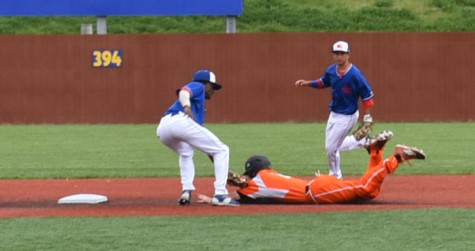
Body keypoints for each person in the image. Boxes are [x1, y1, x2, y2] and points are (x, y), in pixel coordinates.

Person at [198, 130, 426, 205]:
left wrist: (213, 152)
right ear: (266, 165)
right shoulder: (268, 177)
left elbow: (232, 180)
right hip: (318, 186)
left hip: (317, 192)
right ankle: (376, 151)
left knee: (365, 188)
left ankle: (396, 157)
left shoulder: (254, 184)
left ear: (252, 171)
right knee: (369, 192)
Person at [157, 70, 239, 206]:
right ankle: (220, 195)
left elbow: (208, 147)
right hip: (180, 120)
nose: (214, 90)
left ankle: (186, 191)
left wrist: (223, 170)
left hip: (163, 128)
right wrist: (187, 107)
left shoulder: (200, 108)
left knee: (186, 153)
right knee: (222, 150)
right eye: (213, 86)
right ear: (205, 84)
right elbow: (184, 92)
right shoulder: (198, 86)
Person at [294, 41, 375, 179]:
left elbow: (367, 96)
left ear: (348, 54)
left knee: (331, 148)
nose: (339, 57)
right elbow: (323, 82)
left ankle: (336, 176)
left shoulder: (355, 74)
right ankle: (362, 141)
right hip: (334, 113)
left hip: (348, 115)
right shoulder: (332, 70)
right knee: (332, 145)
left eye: (342, 53)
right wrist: (307, 83)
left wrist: (367, 118)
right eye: (336, 54)